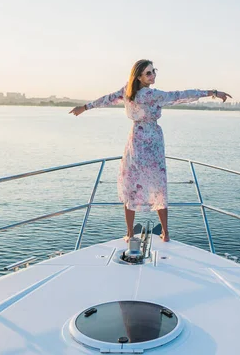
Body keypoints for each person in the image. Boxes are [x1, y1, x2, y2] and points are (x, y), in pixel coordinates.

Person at [70, 59, 231, 242]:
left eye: (153, 71)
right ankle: (165, 233)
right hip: (152, 142)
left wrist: (84, 107)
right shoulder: (151, 95)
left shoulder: (127, 91)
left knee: (131, 183)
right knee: (158, 184)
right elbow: (180, 95)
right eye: (148, 73)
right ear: (138, 76)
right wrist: (213, 92)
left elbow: (105, 100)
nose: (153, 75)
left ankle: (131, 234)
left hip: (137, 140)